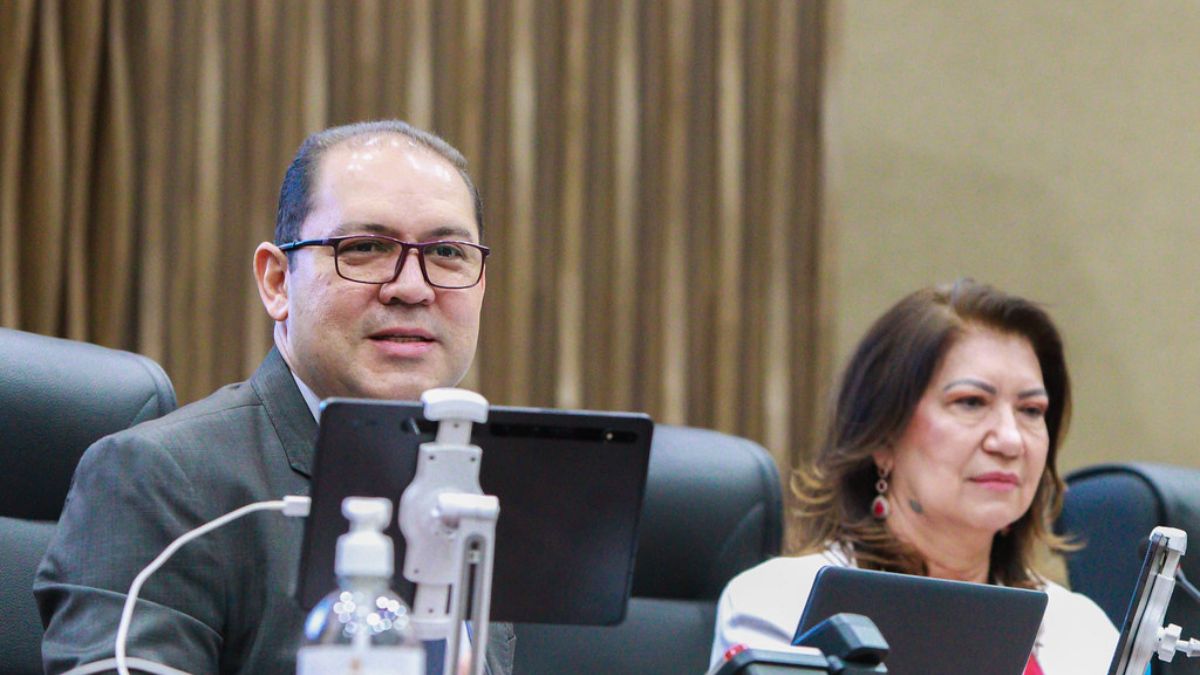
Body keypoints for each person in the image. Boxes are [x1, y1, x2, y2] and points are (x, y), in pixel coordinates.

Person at [35, 120, 515, 674]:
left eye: (448, 252)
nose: (412, 287)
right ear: (277, 281)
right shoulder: (160, 479)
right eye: (365, 248)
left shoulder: (489, 498)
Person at [711, 279, 1117, 674]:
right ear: (883, 436)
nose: (1010, 440)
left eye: (1030, 410)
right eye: (971, 402)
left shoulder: (1082, 630)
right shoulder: (780, 604)